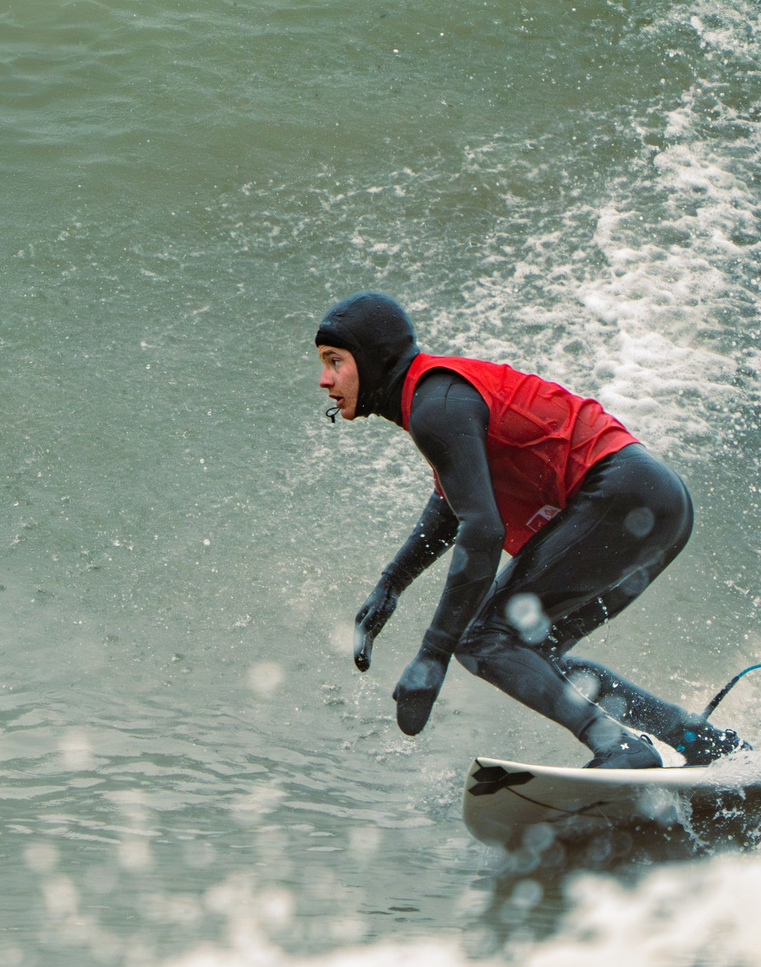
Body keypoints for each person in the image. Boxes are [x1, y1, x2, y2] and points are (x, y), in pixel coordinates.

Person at [314, 291, 739, 770]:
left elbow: (482, 530)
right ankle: (698, 739)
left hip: (623, 495)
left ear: (374, 359)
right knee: (533, 654)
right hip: (657, 503)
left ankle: (619, 747)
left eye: (335, 361)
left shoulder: (435, 405)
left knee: (484, 638)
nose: (324, 379)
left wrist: (432, 656)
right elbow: (453, 504)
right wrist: (392, 583)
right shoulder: (435, 399)